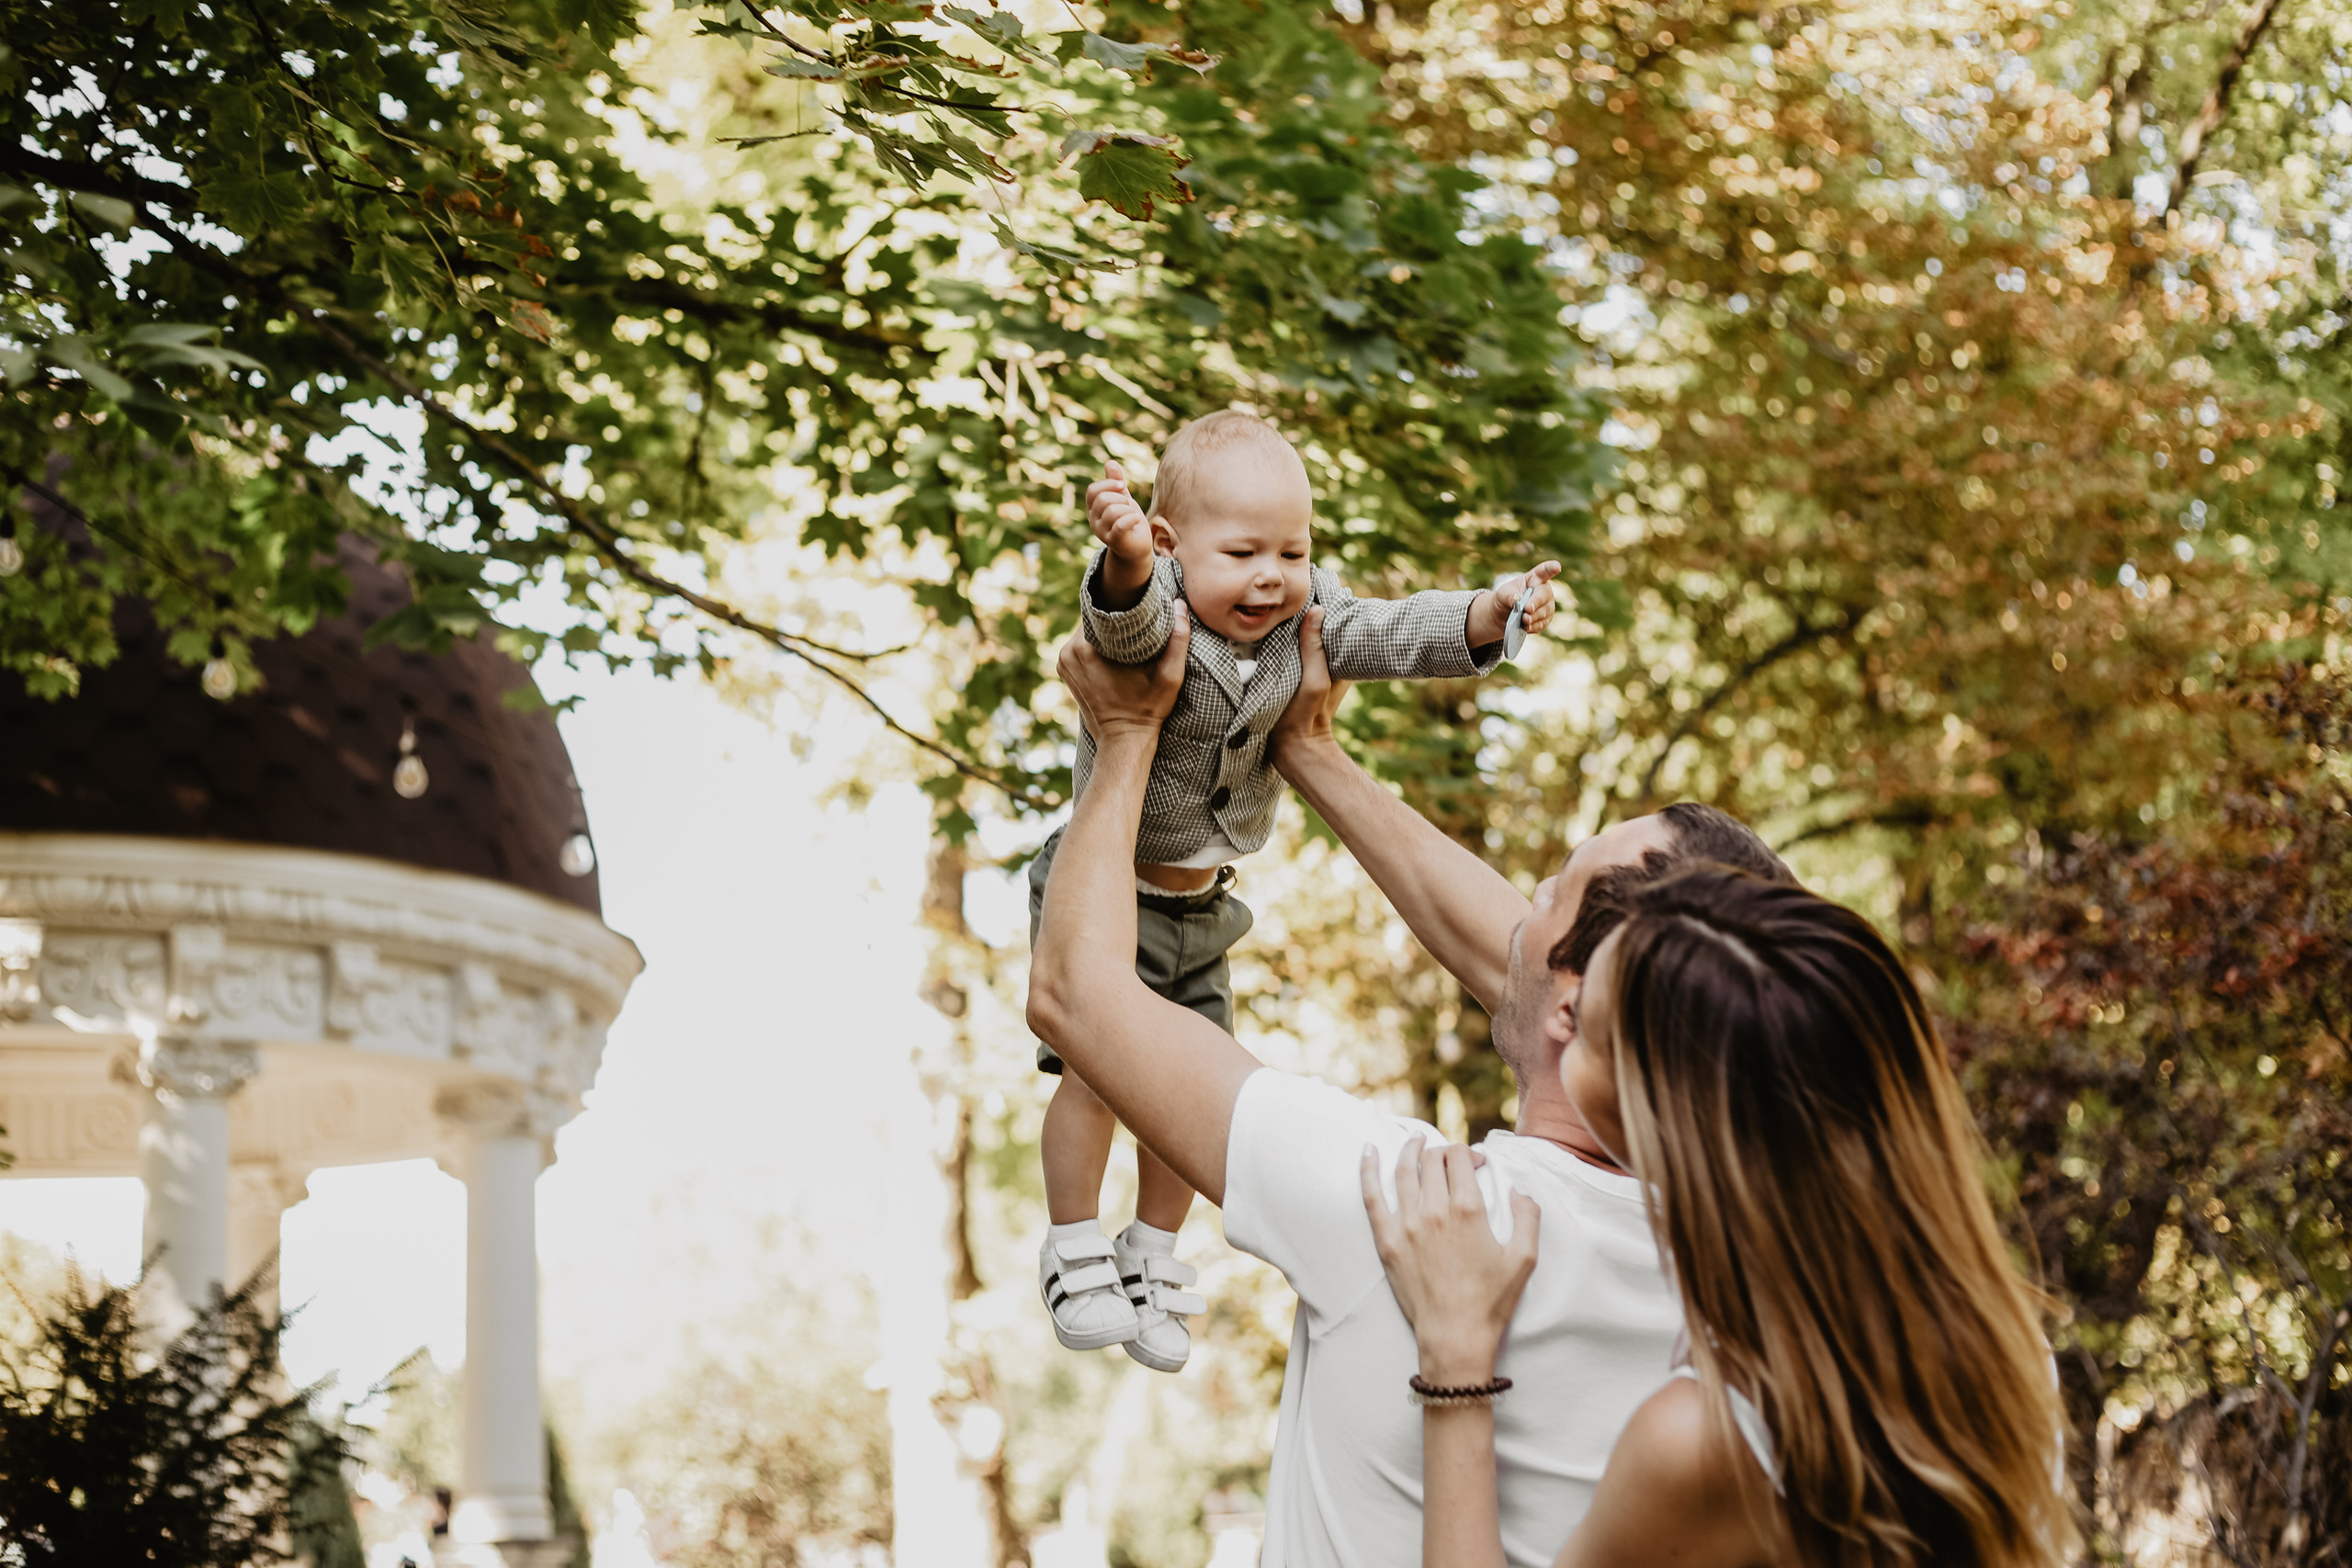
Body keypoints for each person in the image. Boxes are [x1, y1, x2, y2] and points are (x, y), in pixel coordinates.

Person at [1025, 604, 1793, 1566]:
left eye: (1552, 888)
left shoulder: (1409, 1208)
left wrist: (1125, 734)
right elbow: (1534, 978)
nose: (1522, 905)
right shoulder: (1761, 1266)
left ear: (1578, 1007)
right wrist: (1308, 752)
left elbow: (1075, 992)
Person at [1035, 410, 1562, 1375]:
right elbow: (1123, 618)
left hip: (1203, 902)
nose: (1272, 576)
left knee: (1179, 1078)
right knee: (1096, 1072)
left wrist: (1489, 615)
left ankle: (1150, 1252)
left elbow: (1392, 633)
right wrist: (1122, 558)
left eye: (1292, 550)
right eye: (1242, 553)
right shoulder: (1162, 607)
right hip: (1111, 891)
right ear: (1171, 544)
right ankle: (1072, 1245)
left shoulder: (1302, 616)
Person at [1362, 868, 2077, 1568]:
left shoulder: (1704, 1442)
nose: (1565, 1008)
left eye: (1585, 1021)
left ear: (1667, 1120)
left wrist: (1457, 1362)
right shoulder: (2006, 1351)